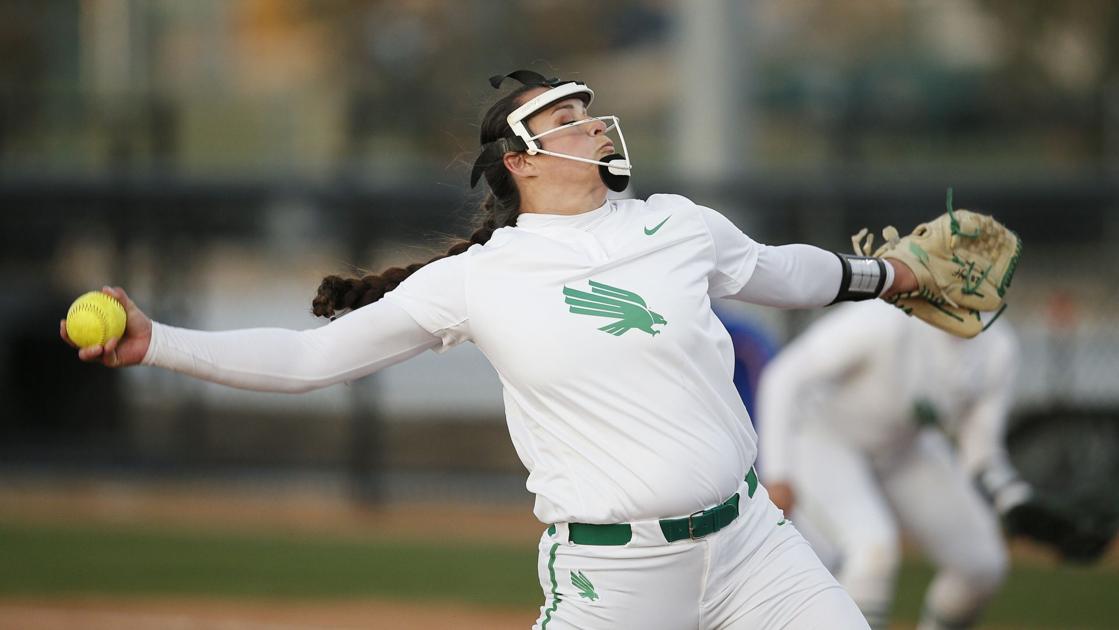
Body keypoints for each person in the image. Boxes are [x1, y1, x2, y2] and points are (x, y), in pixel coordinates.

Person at [63, 69, 927, 629]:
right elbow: (305, 361)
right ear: (519, 159)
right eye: (565, 117)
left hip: (754, 545)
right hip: (613, 578)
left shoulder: (679, 225)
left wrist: (890, 275)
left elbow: (787, 273)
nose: (591, 125)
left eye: (587, 111)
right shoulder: (481, 278)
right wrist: (157, 343)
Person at [756, 300, 1027, 630]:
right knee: (872, 552)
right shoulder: (888, 317)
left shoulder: (997, 346)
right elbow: (783, 376)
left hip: (903, 448)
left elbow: (980, 451)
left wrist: (1014, 498)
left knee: (983, 565)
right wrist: (778, 475)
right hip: (826, 438)